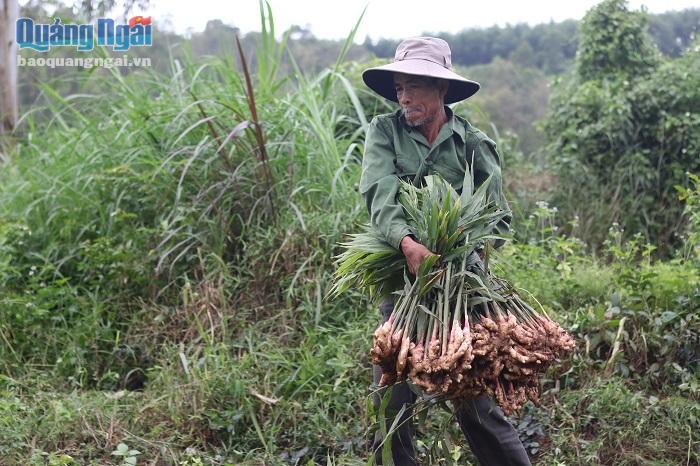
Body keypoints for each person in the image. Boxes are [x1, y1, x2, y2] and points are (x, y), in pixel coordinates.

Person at [359, 37, 531, 466]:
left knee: (473, 395)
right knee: (390, 396)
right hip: (402, 285)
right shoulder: (384, 132)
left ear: (441, 90)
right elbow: (380, 195)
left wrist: (459, 251)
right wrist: (408, 243)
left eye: (414, 86)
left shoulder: (473, 143)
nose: (404, 96)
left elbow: (497, 216)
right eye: (399, 87)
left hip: (459, 288)